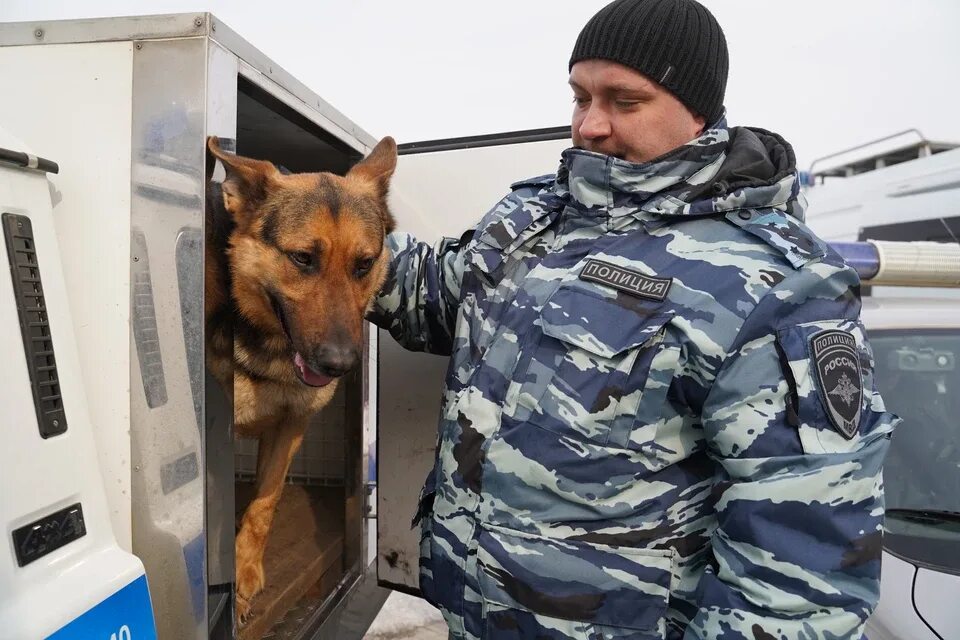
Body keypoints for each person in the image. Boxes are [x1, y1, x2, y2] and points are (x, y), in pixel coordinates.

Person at [369, 0, 899, 638]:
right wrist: (309, 236)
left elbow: (801, 568)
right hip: (469, 617)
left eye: (625, 102)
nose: (590, 125)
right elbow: (431, 295)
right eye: (580, 97)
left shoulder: (776, 283)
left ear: (698, 111)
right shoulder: (533, 217)